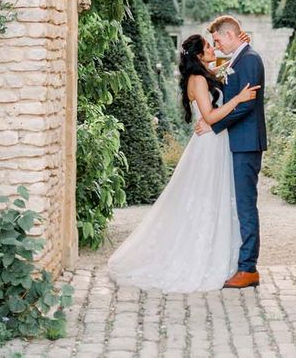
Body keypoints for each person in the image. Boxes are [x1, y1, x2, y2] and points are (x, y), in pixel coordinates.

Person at [107, 34, 260, 293]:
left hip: (216, 143)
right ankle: (200, 256)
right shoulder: (198, 80)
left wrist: (242, 42)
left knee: (215, 199)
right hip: (210, 144)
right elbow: (210, 116)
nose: (214, 48)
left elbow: (224, 67)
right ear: (199, 55)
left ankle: (221, 254)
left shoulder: (204, 73)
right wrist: (238, 99)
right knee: (205, 199)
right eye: (209, 46)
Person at [195, 15, 267, 289]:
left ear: (229, 35)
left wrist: (214, 125)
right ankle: (242, 264)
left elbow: (246, 105)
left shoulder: (249, 59)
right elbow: (227, 86)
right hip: (238, 141)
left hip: (246, 142)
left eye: (217, 40)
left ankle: (248, 268)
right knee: (240, 204)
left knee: (246, 205)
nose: (216, 45)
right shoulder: (238, 58)